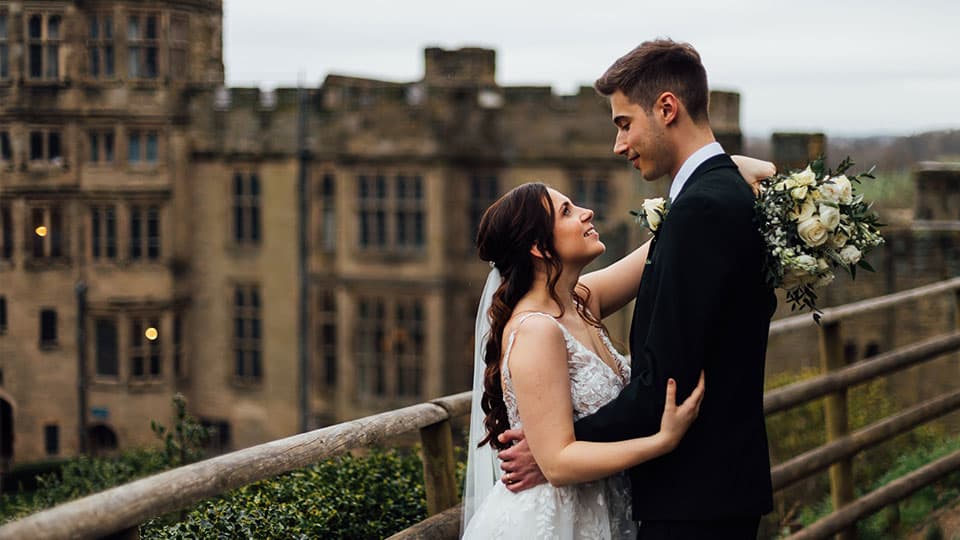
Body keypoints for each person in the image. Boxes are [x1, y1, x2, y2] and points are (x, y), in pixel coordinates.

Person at [495, 39, 779, 539]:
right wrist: (558, 452)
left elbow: (661, 386)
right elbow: (660, 251)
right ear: (538, 249)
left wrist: (553, 451)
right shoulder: (705, 204)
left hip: (695, 499)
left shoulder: (699, 210)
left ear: (667, 108)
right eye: (565, 210)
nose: (619, 145)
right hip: (696, 491)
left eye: (624, 124)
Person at [463, 156, 774, 537]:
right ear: (538, 248)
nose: (586, 211)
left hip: (601, 507)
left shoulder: (580, 300)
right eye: (566, 211)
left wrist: (717, 167)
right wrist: (660, 442)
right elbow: (558, 465)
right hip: (558, 520)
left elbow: (675, 235)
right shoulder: (536, 331)